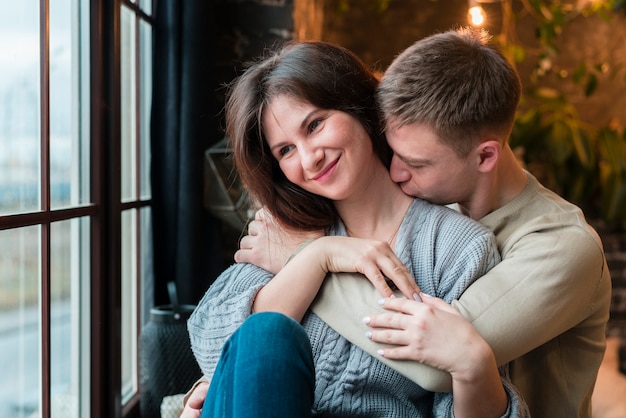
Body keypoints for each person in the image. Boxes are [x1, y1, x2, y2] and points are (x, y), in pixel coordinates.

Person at [234, 27, 612, 418]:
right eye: (392, 151)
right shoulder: (441, 206)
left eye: (415, 163)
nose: (394, 172)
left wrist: (305, 258)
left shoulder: (562, 247)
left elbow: (436, 362)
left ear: (484, 157)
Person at [184, 40, 529, 417]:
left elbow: (460, 391)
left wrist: (473, 364)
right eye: (285, 150)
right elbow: (216, 351)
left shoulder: (457, 248)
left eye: (315, 125)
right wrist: (317, 255)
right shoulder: (286, 227)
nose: (309, 158)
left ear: (360, 109)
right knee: (267, 334)